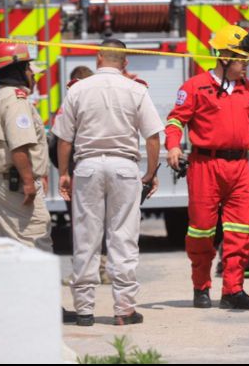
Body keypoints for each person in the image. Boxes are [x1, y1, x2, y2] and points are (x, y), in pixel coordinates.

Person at [53, 39, 164, 327]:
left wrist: (64, 172)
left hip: (87, 166)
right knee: (123, 237)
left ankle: (85, 310)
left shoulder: (78, 89)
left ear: (98, 58)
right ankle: (124, 309)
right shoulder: (136, 89)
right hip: (124, 167)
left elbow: (64, 138)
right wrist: (151, 173)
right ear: (125, 62)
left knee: (85, 238)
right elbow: (153, 136)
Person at [165, 26, 249, 311]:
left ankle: (233, 290)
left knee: (241, 232)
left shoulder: (247, 90)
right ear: (224, 57)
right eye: (241, 58)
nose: (246, 63)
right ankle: (201, 287)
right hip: (204, 165)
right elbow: (175, 121)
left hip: (239, 167)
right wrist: (173, 146)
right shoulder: (195, 87)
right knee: (201, 231)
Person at [0, 43, 52, 252]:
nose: (33, 75)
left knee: (10, 249)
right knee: (36, 243)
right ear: (18, 70)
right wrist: (29, 182)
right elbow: (19, 144)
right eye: (29, 69)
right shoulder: (15, 99)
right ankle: (38, 287)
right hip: (16, 186)